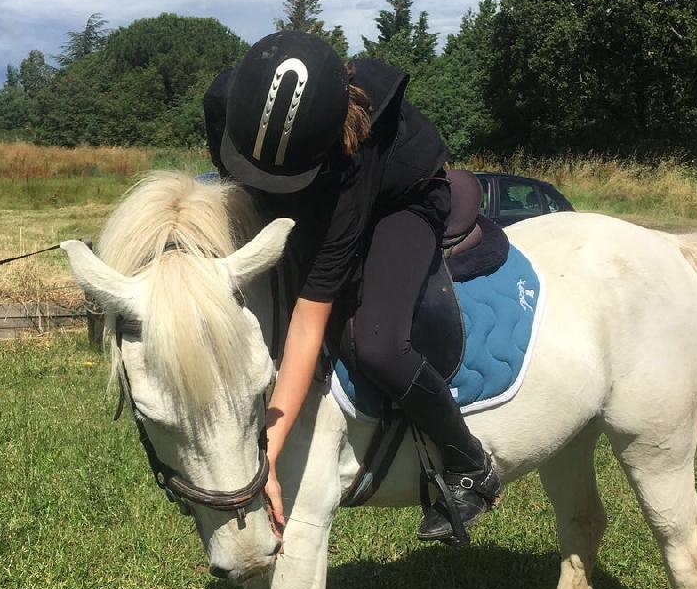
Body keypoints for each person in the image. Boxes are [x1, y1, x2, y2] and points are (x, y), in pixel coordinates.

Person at [204, 31, 500, 546]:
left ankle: (469, 463)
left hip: (399, 198)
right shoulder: (226, 105)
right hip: (306, 185)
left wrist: (266, 459)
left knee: (378, 342)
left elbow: (308, 321)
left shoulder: (354, 162)